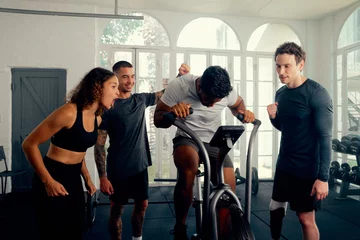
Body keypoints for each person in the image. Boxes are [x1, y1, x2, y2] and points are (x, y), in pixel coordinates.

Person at [153, 65, 255, 240]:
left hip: (215, 140)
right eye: (209, 100)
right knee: (188, 170)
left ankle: (222, 234)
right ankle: (180, 226)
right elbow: (157, 119)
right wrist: (172, 111)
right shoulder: (180, 86)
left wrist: (243, 113)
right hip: (187, 137)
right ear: (199, 87)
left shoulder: (227, 92)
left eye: (217, 101)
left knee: (228, 186)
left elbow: (238, 103)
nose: (213, 105)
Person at [94, 61, 190, 240]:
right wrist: (102, 177)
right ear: (116, 78)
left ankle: (137, 238)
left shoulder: (140, 100)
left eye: (132, 76)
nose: (130, 81)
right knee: (116, 211)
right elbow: (99, 145)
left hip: (140, 166)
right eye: (125, 77)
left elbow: (164, 94)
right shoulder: (108, 108)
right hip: (118, 169)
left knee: (142, 205)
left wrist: (180, 77)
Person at [21, 67, 120, 240]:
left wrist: (88, 179)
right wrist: (48, 181)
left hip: (74, 177)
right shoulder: (68, 112)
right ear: (97, 87)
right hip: (53, 173)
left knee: (75, 228)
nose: (117, 93)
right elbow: (29, 144)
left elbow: (78, 151)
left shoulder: (97, 118)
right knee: (54, 230)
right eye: (113, 86)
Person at [267, 42, 333, 240]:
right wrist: (273, 118)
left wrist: (323, 178)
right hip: (285, 163)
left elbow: (325, 138)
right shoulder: (281, 93)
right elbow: (285, 127)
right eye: (278, 66)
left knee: (305, 219)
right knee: (275, 207)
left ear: (300, 64)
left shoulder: (317, 94)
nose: (281, 71)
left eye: (287, 66)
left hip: (307, 168)